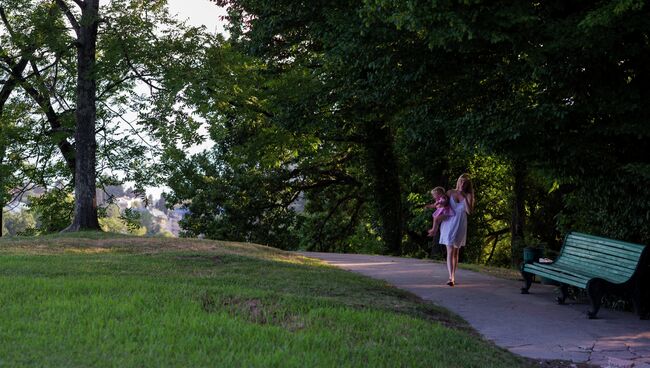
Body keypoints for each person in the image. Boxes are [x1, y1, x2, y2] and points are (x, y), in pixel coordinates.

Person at [438, 173, 475, 286]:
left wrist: (464, 198)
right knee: (449, 250)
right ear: (458, 181)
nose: (463, 184)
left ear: (468, 184)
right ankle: (451, 278)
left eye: (465, 182)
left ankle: (453, 275)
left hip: (460, 224)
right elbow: (442, 205)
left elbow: (469, 212)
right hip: (449, 223)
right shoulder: (450, 192)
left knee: (455, 251)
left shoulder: (469, 195)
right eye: (461, 181)